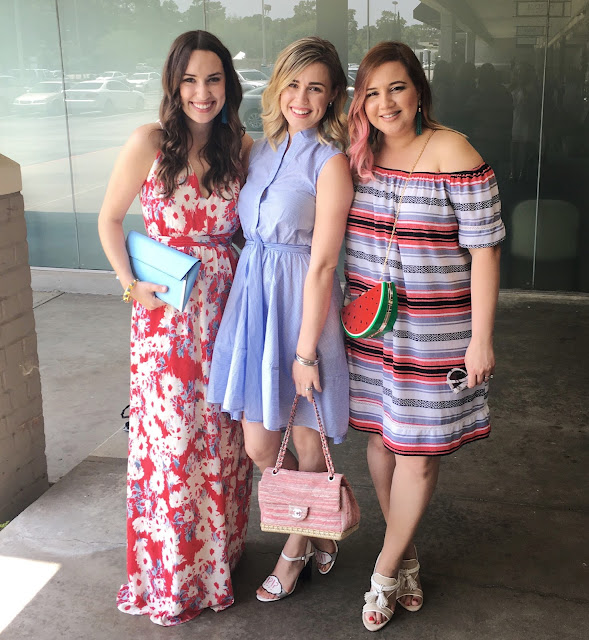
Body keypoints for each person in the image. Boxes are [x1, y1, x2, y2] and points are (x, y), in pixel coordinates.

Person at [345, 42, 505, 632]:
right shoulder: (358, 155)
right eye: (372, 92)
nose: (385, 103)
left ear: (419, 91)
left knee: (418, 453)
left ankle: (384, 571)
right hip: (371, 327)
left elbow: (485, 251)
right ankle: (407, 555)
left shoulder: (454, 151)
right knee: (383, 441)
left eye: (397, 88)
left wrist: (481, 337)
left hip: (435, 334)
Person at [97, 30, 253, 626]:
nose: (202, 92)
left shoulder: (240, 146)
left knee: (221, 436)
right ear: (173, 84)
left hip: (227, 309)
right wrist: (129, 284)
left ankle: (217, 560)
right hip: (165, 314)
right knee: (172, 442)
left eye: (213, 79)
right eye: (190, 80)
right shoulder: (149, 142)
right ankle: (171, 572)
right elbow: (110, 219)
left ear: (228, 85)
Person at [207, 37, 354, 602]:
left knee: (308, 439)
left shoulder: (331, 163)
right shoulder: (259, 151)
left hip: (303, 307)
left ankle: (295, 550)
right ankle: (319, 519)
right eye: (293, 84)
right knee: (259, 445)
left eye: (316, 88)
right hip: (254, 302)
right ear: (276, 88)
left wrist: (305, 351)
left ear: (332, 96)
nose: (302, 98)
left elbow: (323, 265)